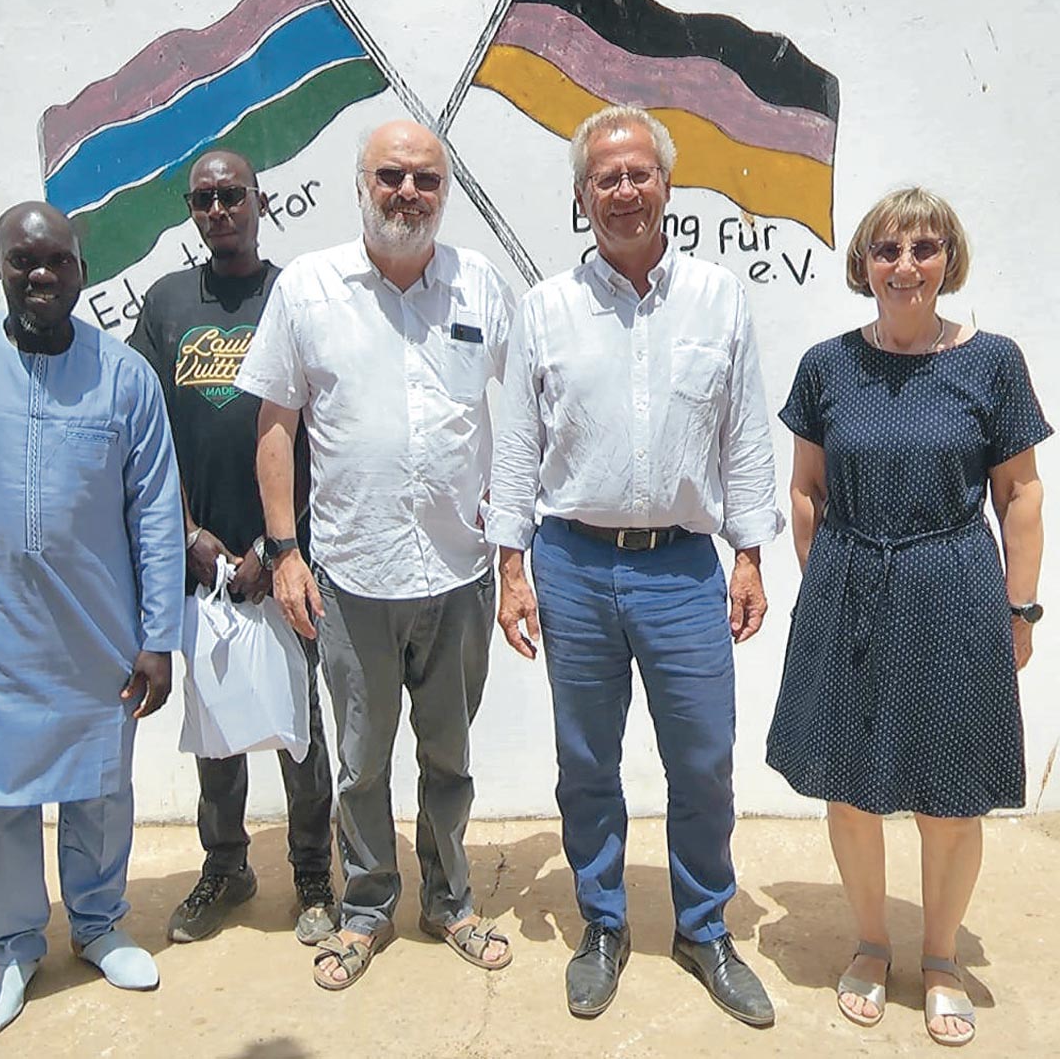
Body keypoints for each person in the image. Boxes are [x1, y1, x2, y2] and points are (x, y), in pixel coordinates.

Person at [488, 105, 782, 1025]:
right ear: (583, 199)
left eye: (638, 174)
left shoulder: (719, 299)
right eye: (604, 179)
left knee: (702, 759)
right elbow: (516, 444)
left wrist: (749, 555)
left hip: (684, 568)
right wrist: (510, 568)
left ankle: (703, 926)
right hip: (572, 563)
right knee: (586, 760)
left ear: (666, 184)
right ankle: (604, 923)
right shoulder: (546, 308)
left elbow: (744, 435)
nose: (623, 190)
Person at [0, 202, 185, 1039]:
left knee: (100, 787)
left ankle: (97, 922)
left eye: (56, 261)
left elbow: (157, 515)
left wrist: (160, 638)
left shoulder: (126, 379)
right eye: (22, 260)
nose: (39, 275)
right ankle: (14, 942)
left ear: (84, 271)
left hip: (99, 636)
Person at [766, 187, 1050, 1047]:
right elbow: (807, 489)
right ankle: (870, 941)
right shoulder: (825, 365)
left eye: (924, 248)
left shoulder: (992, 362)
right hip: (851, 582)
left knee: (950, 796)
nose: (905, 264)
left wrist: (1021, 609)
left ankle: (938, 958)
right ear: (864, 264)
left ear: (947, 260)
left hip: (955, 586)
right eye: (887, 249)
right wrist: (829, 589)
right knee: (851, 789)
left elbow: (1021, 494)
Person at [236, 119, 516, 990]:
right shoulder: (309, 289)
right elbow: (275, 426)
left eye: (426, 180)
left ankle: (448, 897)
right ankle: (366, 907)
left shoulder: (480, 284)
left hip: (459, 574)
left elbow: (532, 416)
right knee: (361, 759)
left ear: (444, 190)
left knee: (450, 754)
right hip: (353, 575)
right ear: (361, 184)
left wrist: (514, 558)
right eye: (391, 175)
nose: (408, 192)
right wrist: (285, 552)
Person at [128, 149, 337, 947]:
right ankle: (226, 864)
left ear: (260, 200)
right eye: (205, 199)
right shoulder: (167, 302)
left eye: (233, 196)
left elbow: (323, 431)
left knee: (297, 724)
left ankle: (313, 870)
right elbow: (147, 432)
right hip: (200, 561)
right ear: (192, 209)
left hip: (286, 557)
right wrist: (186, 535)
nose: (220, 210)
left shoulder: (296, 294)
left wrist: (273, 544)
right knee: (215, 720)